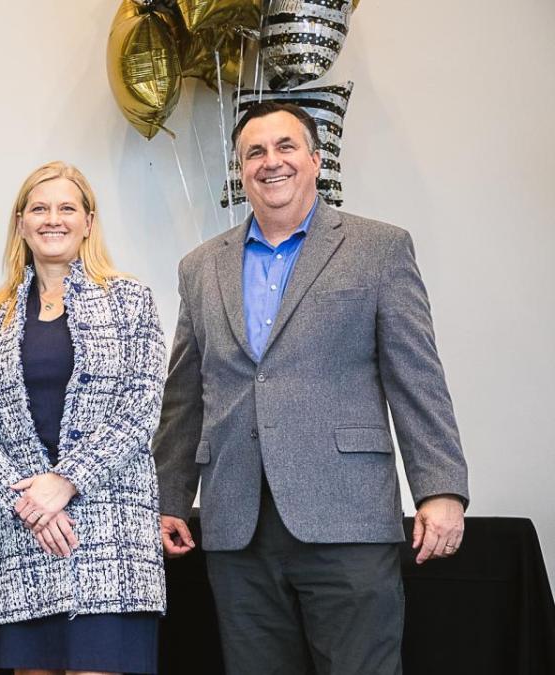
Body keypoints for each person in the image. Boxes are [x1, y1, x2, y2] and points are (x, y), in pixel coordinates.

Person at [153, 101, 469, 675]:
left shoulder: (378, 248)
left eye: (285, 147)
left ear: (316, 160)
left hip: (346, 515)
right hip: (237, 523)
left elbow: (417, 376)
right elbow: (186, 394)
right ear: (240, 169)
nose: (270, 162)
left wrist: (440, 487)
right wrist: (170, 496)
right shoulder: (201, 267)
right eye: (255, 152)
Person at [0, 161, 167, 675]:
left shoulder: (130, 300)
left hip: (110, 531)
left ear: (88, 221)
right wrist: (30, 499)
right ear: (21, 222)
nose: (53, 219)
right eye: (39, 208)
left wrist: (68, 481)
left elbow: (141, 407)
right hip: (21, 532)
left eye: (67, 208)